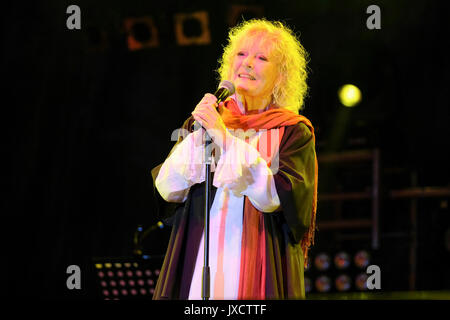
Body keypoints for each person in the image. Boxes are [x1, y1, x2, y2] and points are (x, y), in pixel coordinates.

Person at [151, 19, 318, 300]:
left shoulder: (293, 131)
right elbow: (168, 188)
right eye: (241, 55)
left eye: (262, 58)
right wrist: (201, 133)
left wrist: (225, 139)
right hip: (200, 252)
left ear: (281, 76)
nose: (248, 63)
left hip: (259, 256)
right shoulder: (204, 121)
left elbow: (280, 198)